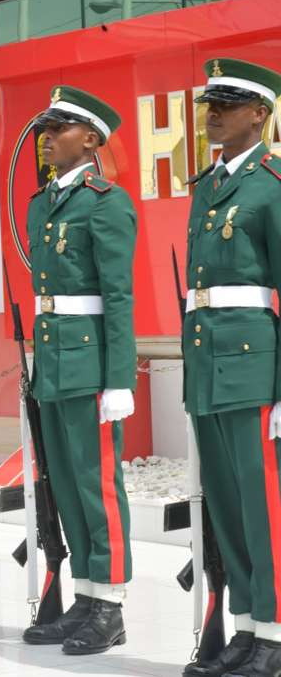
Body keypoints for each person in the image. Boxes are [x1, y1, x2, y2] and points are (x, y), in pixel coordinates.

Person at [21, 85, 137, 655]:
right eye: (45, 129)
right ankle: (86, 597)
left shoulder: (106, 202)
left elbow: (118, 296)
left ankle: (110, 604)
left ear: (90, 140)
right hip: (54, 359)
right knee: (65, 485)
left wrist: (120, 378)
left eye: (58, 129)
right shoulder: (42, 203)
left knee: (96, 485)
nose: (46, 138)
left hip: (90, 363)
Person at [180, 58, 281, 677]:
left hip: (253, 365)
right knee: (227, 503)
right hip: (208, 363)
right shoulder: (207, 185)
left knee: (263, 504)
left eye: (228, 105)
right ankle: (245, 628)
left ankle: (273, 634)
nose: (213, 116)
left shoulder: (271, 186)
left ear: (261, 114)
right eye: (211, 105)